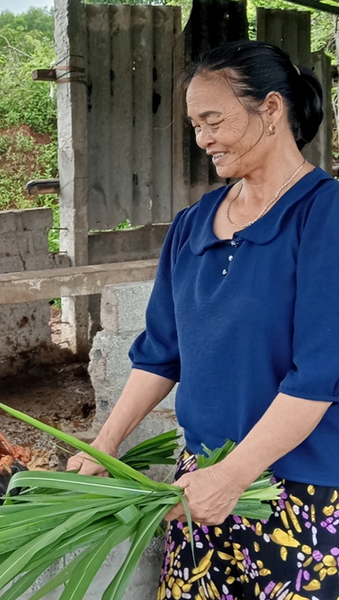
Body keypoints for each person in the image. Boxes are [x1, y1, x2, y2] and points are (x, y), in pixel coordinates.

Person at [68, 40, 339, 599]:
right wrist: (105, 444)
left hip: (301, 486)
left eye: (213, 120)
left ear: (270, 109)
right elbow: (161, 352)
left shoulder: (325, 215)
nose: (202, 139)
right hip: (201, 481)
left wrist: (234, 477)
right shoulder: (192, 226)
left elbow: (316, 378)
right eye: (195, 125)